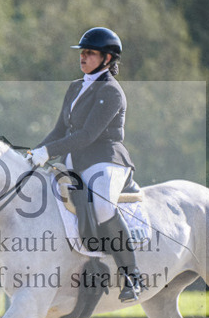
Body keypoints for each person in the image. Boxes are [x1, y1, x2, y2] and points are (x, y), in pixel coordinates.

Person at [27, 27, 141, 301]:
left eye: (90, 52)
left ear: (107, 59)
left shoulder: (112, 93)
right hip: (75, 160)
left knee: (102, 206)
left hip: (106, 161)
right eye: (82, 52)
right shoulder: (76, 87)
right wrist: (35, 153)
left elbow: (88, 135)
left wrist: (49, 151)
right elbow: (59, 131)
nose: (83, 56)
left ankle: (132, 275)